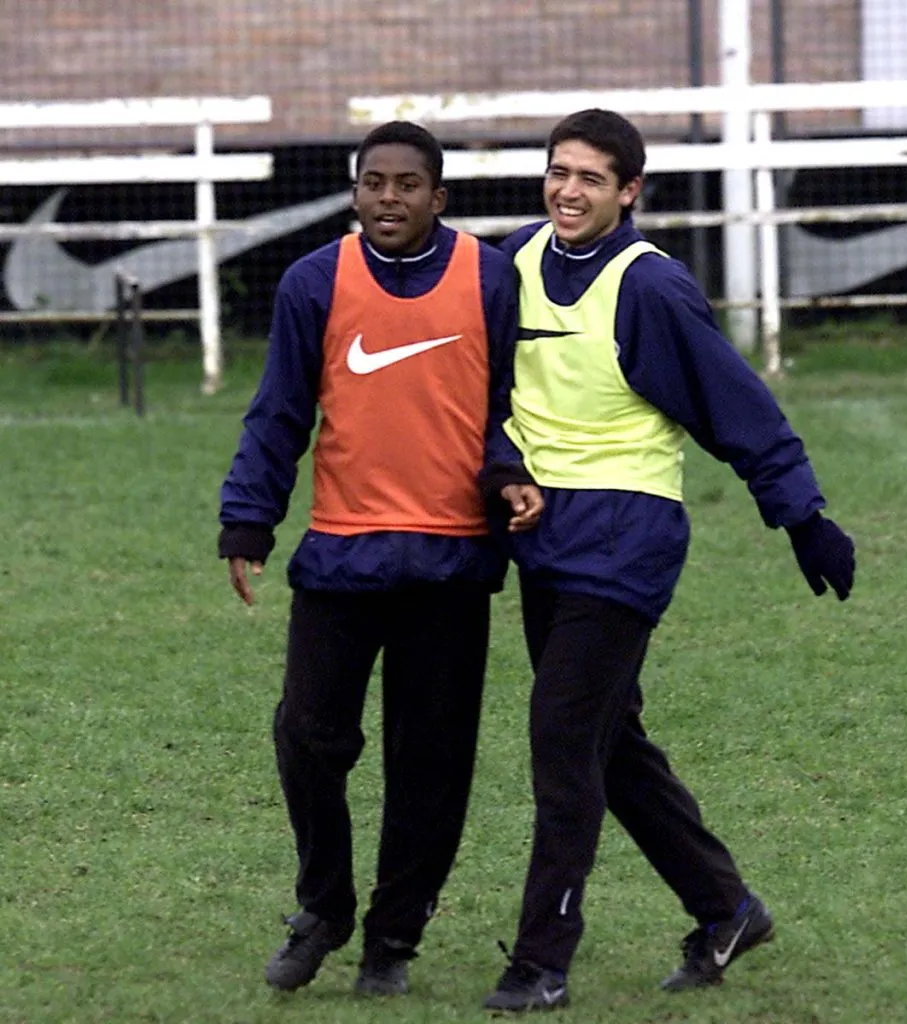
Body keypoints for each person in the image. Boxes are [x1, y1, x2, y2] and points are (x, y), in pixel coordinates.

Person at [479, 108, 856, 1012]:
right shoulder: (515, 263)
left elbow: (736, 404)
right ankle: (727, 908)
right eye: (558, 171)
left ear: (629, 191)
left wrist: (801, 513)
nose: (569, 190)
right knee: (609, 744)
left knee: (564, 737)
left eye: (591, 178)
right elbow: (479, 389)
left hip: (628, 538)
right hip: (544, 536)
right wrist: (503, 463)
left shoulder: (651, 289)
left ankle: (541, 963)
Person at [217, 120, 540, 998]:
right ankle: (323, 908)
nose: (387, 198)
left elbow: (515, 403)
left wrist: (507, 469)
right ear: (355, 193)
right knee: (307, 735)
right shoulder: (314, 282)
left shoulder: (490, 278)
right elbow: (279, 410)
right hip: (341, 560)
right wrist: (248, 519)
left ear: (439, 197)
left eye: (406, 184)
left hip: (450, 564)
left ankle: (392, 943)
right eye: (372, 183)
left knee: (431, 764)